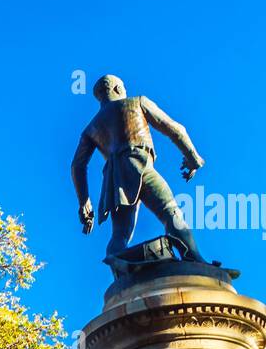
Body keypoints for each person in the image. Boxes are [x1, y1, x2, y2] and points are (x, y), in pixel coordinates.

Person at [70, 75, 209, 275]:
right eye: (123, 88)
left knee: (120, 233)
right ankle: (195, 260)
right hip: (140, 165)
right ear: (117, 89)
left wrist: (84, 201)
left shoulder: (91, 128)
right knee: (171, 212)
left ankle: (120, 275)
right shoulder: (137, 102)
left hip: (114, 179)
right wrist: (193, 158)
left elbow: (77, 165)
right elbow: (175, 129)